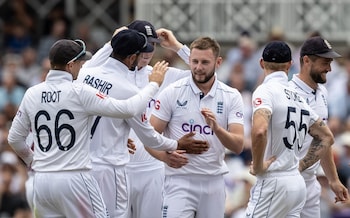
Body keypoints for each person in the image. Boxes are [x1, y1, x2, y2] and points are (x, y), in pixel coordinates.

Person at [7, 37, 171, 217]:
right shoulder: (79, 91)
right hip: (74, 178)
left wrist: (32, 161)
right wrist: (154, 84)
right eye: (80, 62)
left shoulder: (32, 93)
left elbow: (14, 139)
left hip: (42, 182)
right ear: (70, 65)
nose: (82, 66)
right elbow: (129, 108)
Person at [76, 28, 209, 218]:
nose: (148, 53)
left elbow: (204, 74)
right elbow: (148, 135)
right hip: (113, 168)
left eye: (152, 45)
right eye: (143, 48)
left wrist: (177, 47)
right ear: (132, 57)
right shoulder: (128, 86)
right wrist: (176, 144)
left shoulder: (85, 73)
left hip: (121, 166)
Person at [149, 36, 245, 218]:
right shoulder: (173, 91)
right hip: (179, 180)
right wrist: (166, 156)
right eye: (194, 61)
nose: (198, 67)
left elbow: (238, 145)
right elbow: (149, 137)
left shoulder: (231, 96)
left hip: (213, 181)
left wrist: (216, 128)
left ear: (218, 62)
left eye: (205, 62)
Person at [245, 40, 335, 217]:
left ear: (261, 63)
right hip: (296, 182)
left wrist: (259, 166)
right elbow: (327, 136)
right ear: (290, 64)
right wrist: (300, 165)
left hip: (273, 179)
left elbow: (259, 130)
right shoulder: (298, 97)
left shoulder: (265, 90)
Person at [289, 36, 349, 218]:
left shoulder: (322, 92)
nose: (329, 69)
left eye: (330, 63)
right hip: (287, 182)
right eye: (325, 63)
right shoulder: (288, 93)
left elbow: (323, 140)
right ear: (306, 60)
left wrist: (333, 180)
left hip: (310, 181)